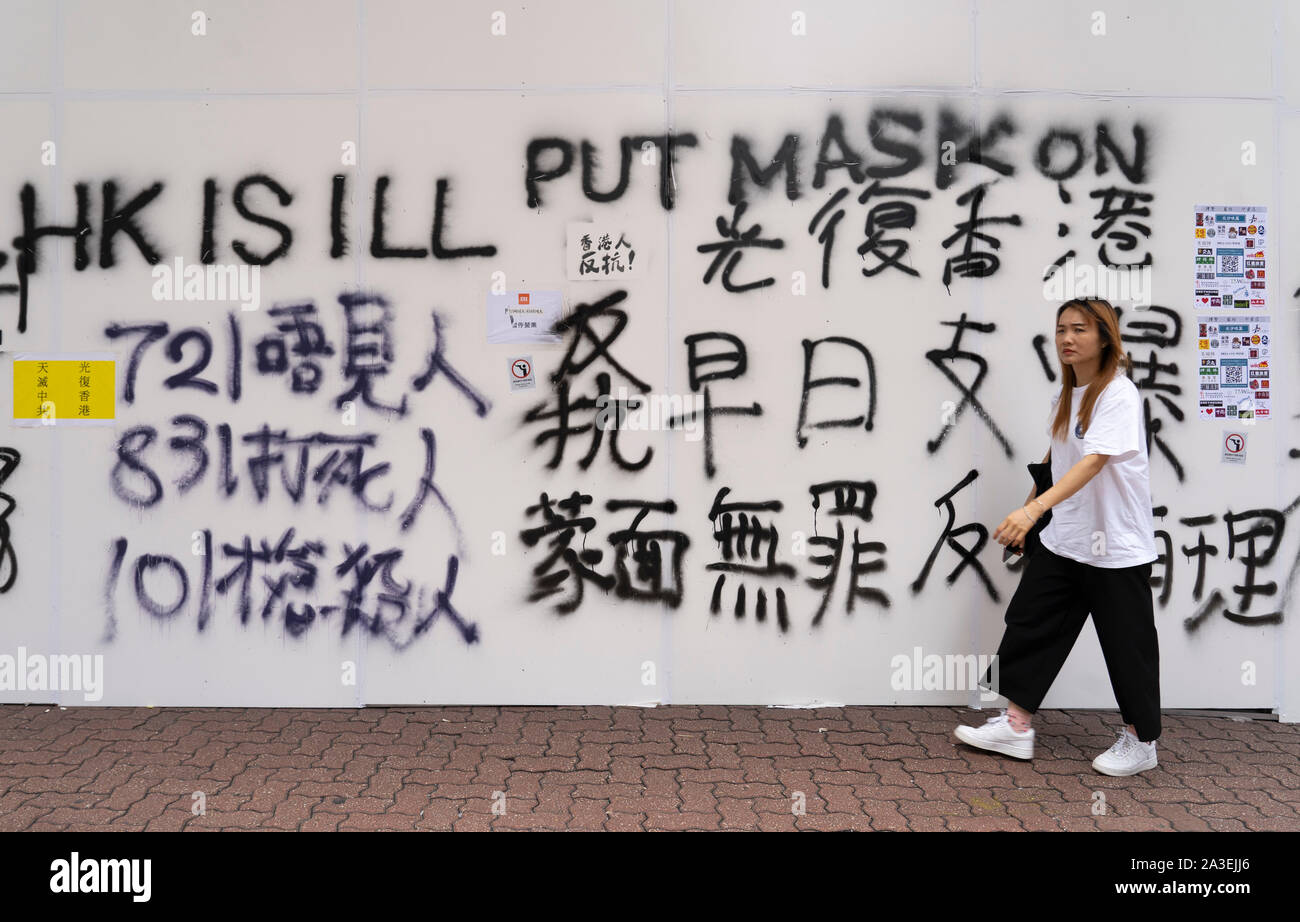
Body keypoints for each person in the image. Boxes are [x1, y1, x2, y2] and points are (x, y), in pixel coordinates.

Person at [953, 298, 1162, 776]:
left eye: (1080, 330)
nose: (1067, 339)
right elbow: (1055, 461)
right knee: (1032, 623)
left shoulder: (1119, 394)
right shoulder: (1064, 397)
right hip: (1066, 537)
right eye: (1062, 329)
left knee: (1127, 645)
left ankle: (1142, 741)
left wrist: (1031, 510)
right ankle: (1016, 726)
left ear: (1105, 338)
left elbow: (1094, 460)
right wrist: (1032, 519)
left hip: (1116, 546)